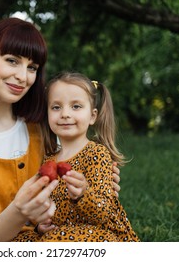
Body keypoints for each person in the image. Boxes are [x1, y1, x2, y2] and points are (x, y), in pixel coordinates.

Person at [0, 18, 121, 242]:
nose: (23, 77)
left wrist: (94, 184)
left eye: (31, 67)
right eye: (12, 61)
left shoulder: (44, 126)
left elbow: (72, 190)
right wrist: (20, 210)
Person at [13, 71, 139, 242]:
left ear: (92, 116)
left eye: (76, 106)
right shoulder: (48, 160)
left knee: (57, 239)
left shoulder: (97, 154)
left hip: (98, 235)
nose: (65, 114)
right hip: (61, 234)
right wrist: (40, 225)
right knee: (20, 240)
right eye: (56, 107)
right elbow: (43, 206)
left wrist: (83, 193)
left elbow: (103, 213)